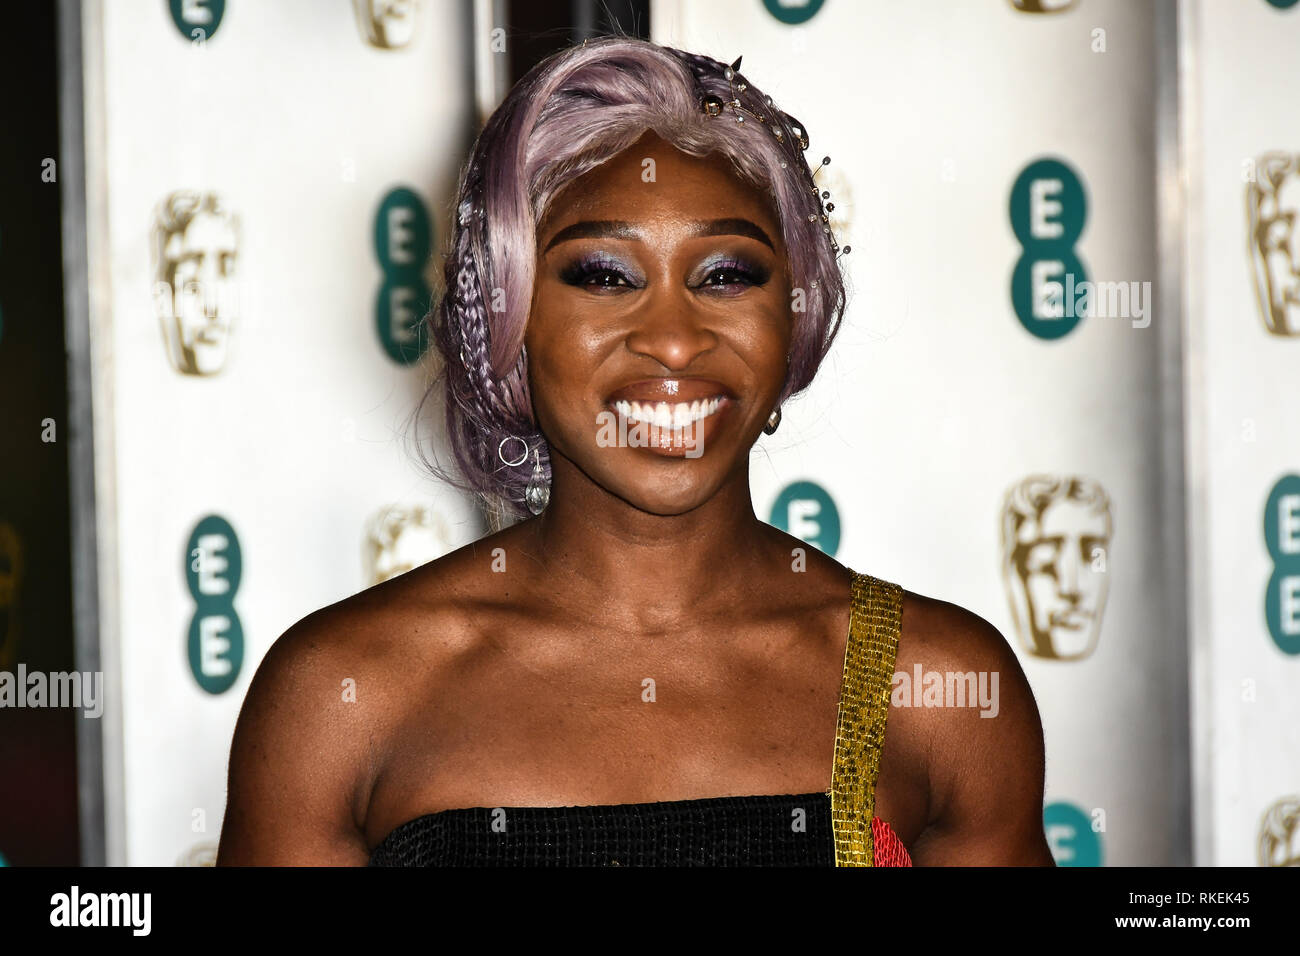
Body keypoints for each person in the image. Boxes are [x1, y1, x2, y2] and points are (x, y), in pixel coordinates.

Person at [216, 35, 1054, 867]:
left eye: (726, 274)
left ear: (794, 314)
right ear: (509, 320)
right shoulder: (342, 694)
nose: (675, 342)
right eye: (604, 275)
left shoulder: (938, 689)